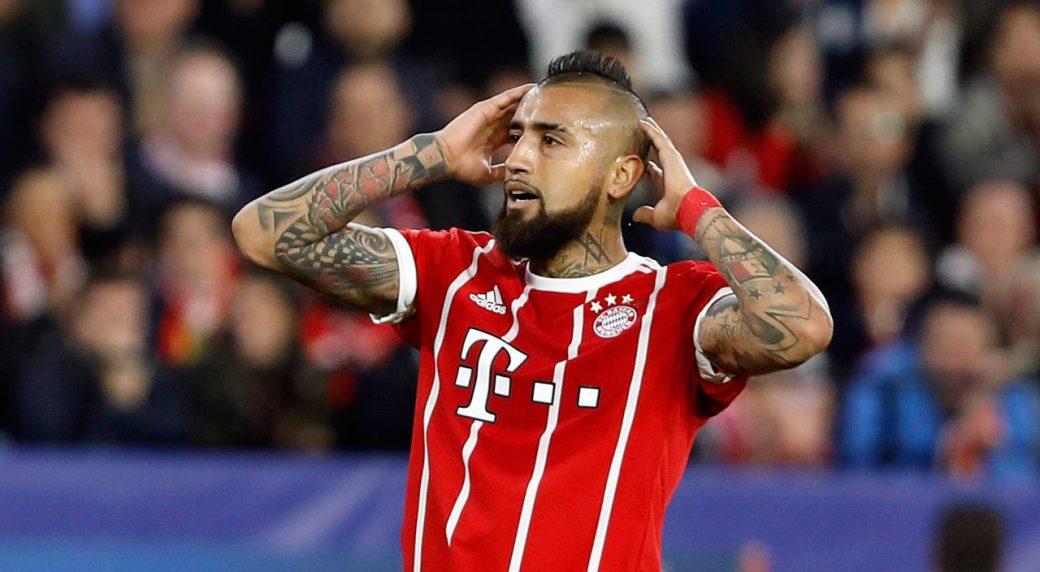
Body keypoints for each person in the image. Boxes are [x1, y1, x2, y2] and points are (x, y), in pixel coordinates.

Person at [233, 51, 832, 571]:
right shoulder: (455, 273)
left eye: (551, 140)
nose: (518, 158)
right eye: (517, 136)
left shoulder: (673, 307)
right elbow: (263, 234)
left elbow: (803, 325)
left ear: (621, 175)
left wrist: (698, 209)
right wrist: (430, 154)